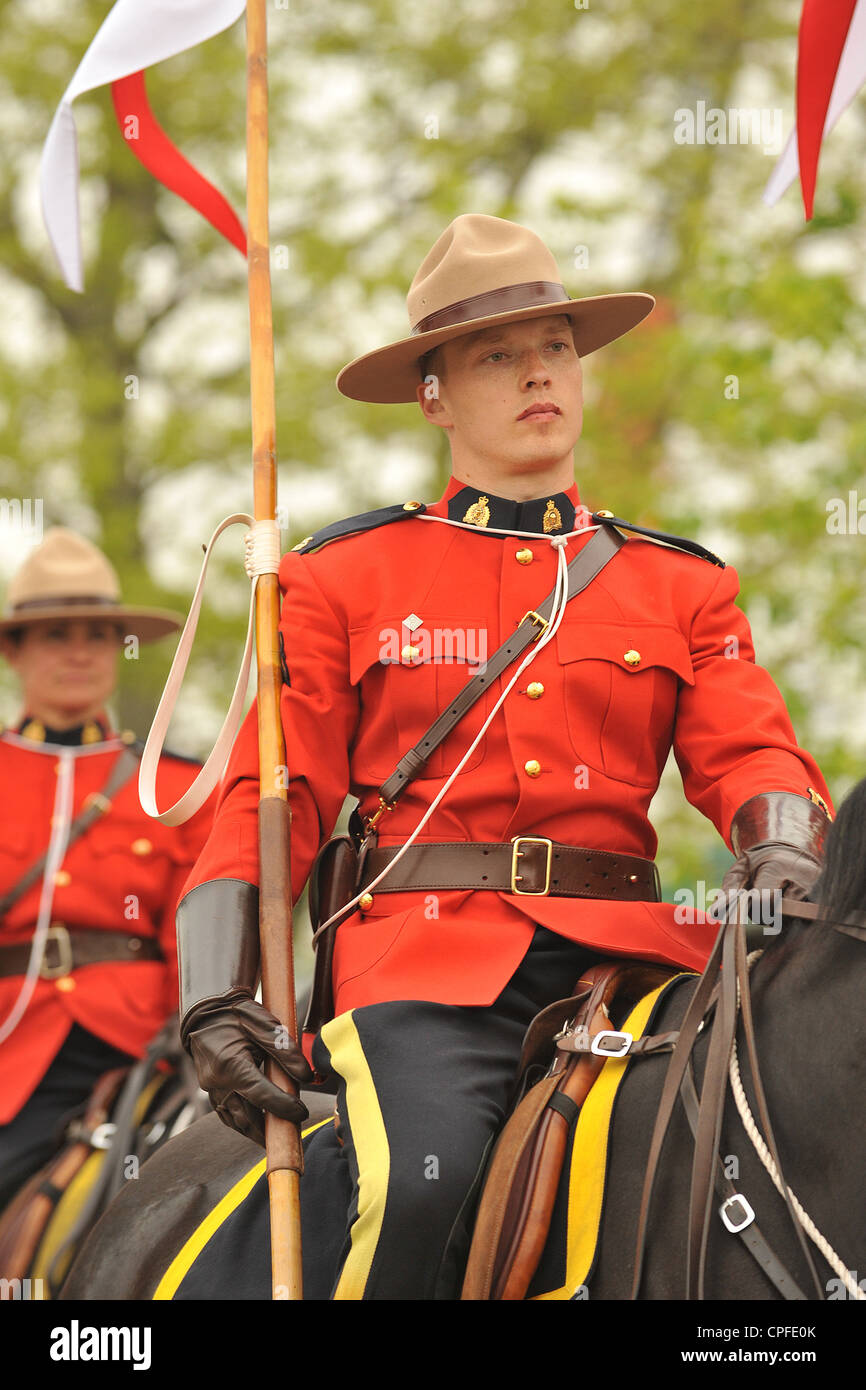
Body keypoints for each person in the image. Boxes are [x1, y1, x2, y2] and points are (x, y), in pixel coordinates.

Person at [176, 214, 833, 1299]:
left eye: (556, 348)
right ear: (431, 393)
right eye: (496, 355)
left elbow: (752, 750)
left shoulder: (681, 584)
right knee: (419, 1185)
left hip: (632, 965)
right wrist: (215, 992)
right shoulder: (340, 576)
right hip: (430, 974)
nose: (538, 373)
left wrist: (783, 852)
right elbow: (270, 794)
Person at [0, 528, 214, 1210]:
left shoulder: (173, 785)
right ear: (15, 651)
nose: (80, 651)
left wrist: (198, 1033)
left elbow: (197, 930)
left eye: (98, 634)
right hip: (12, 1045)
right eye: (56, 633)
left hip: (138, 1042)